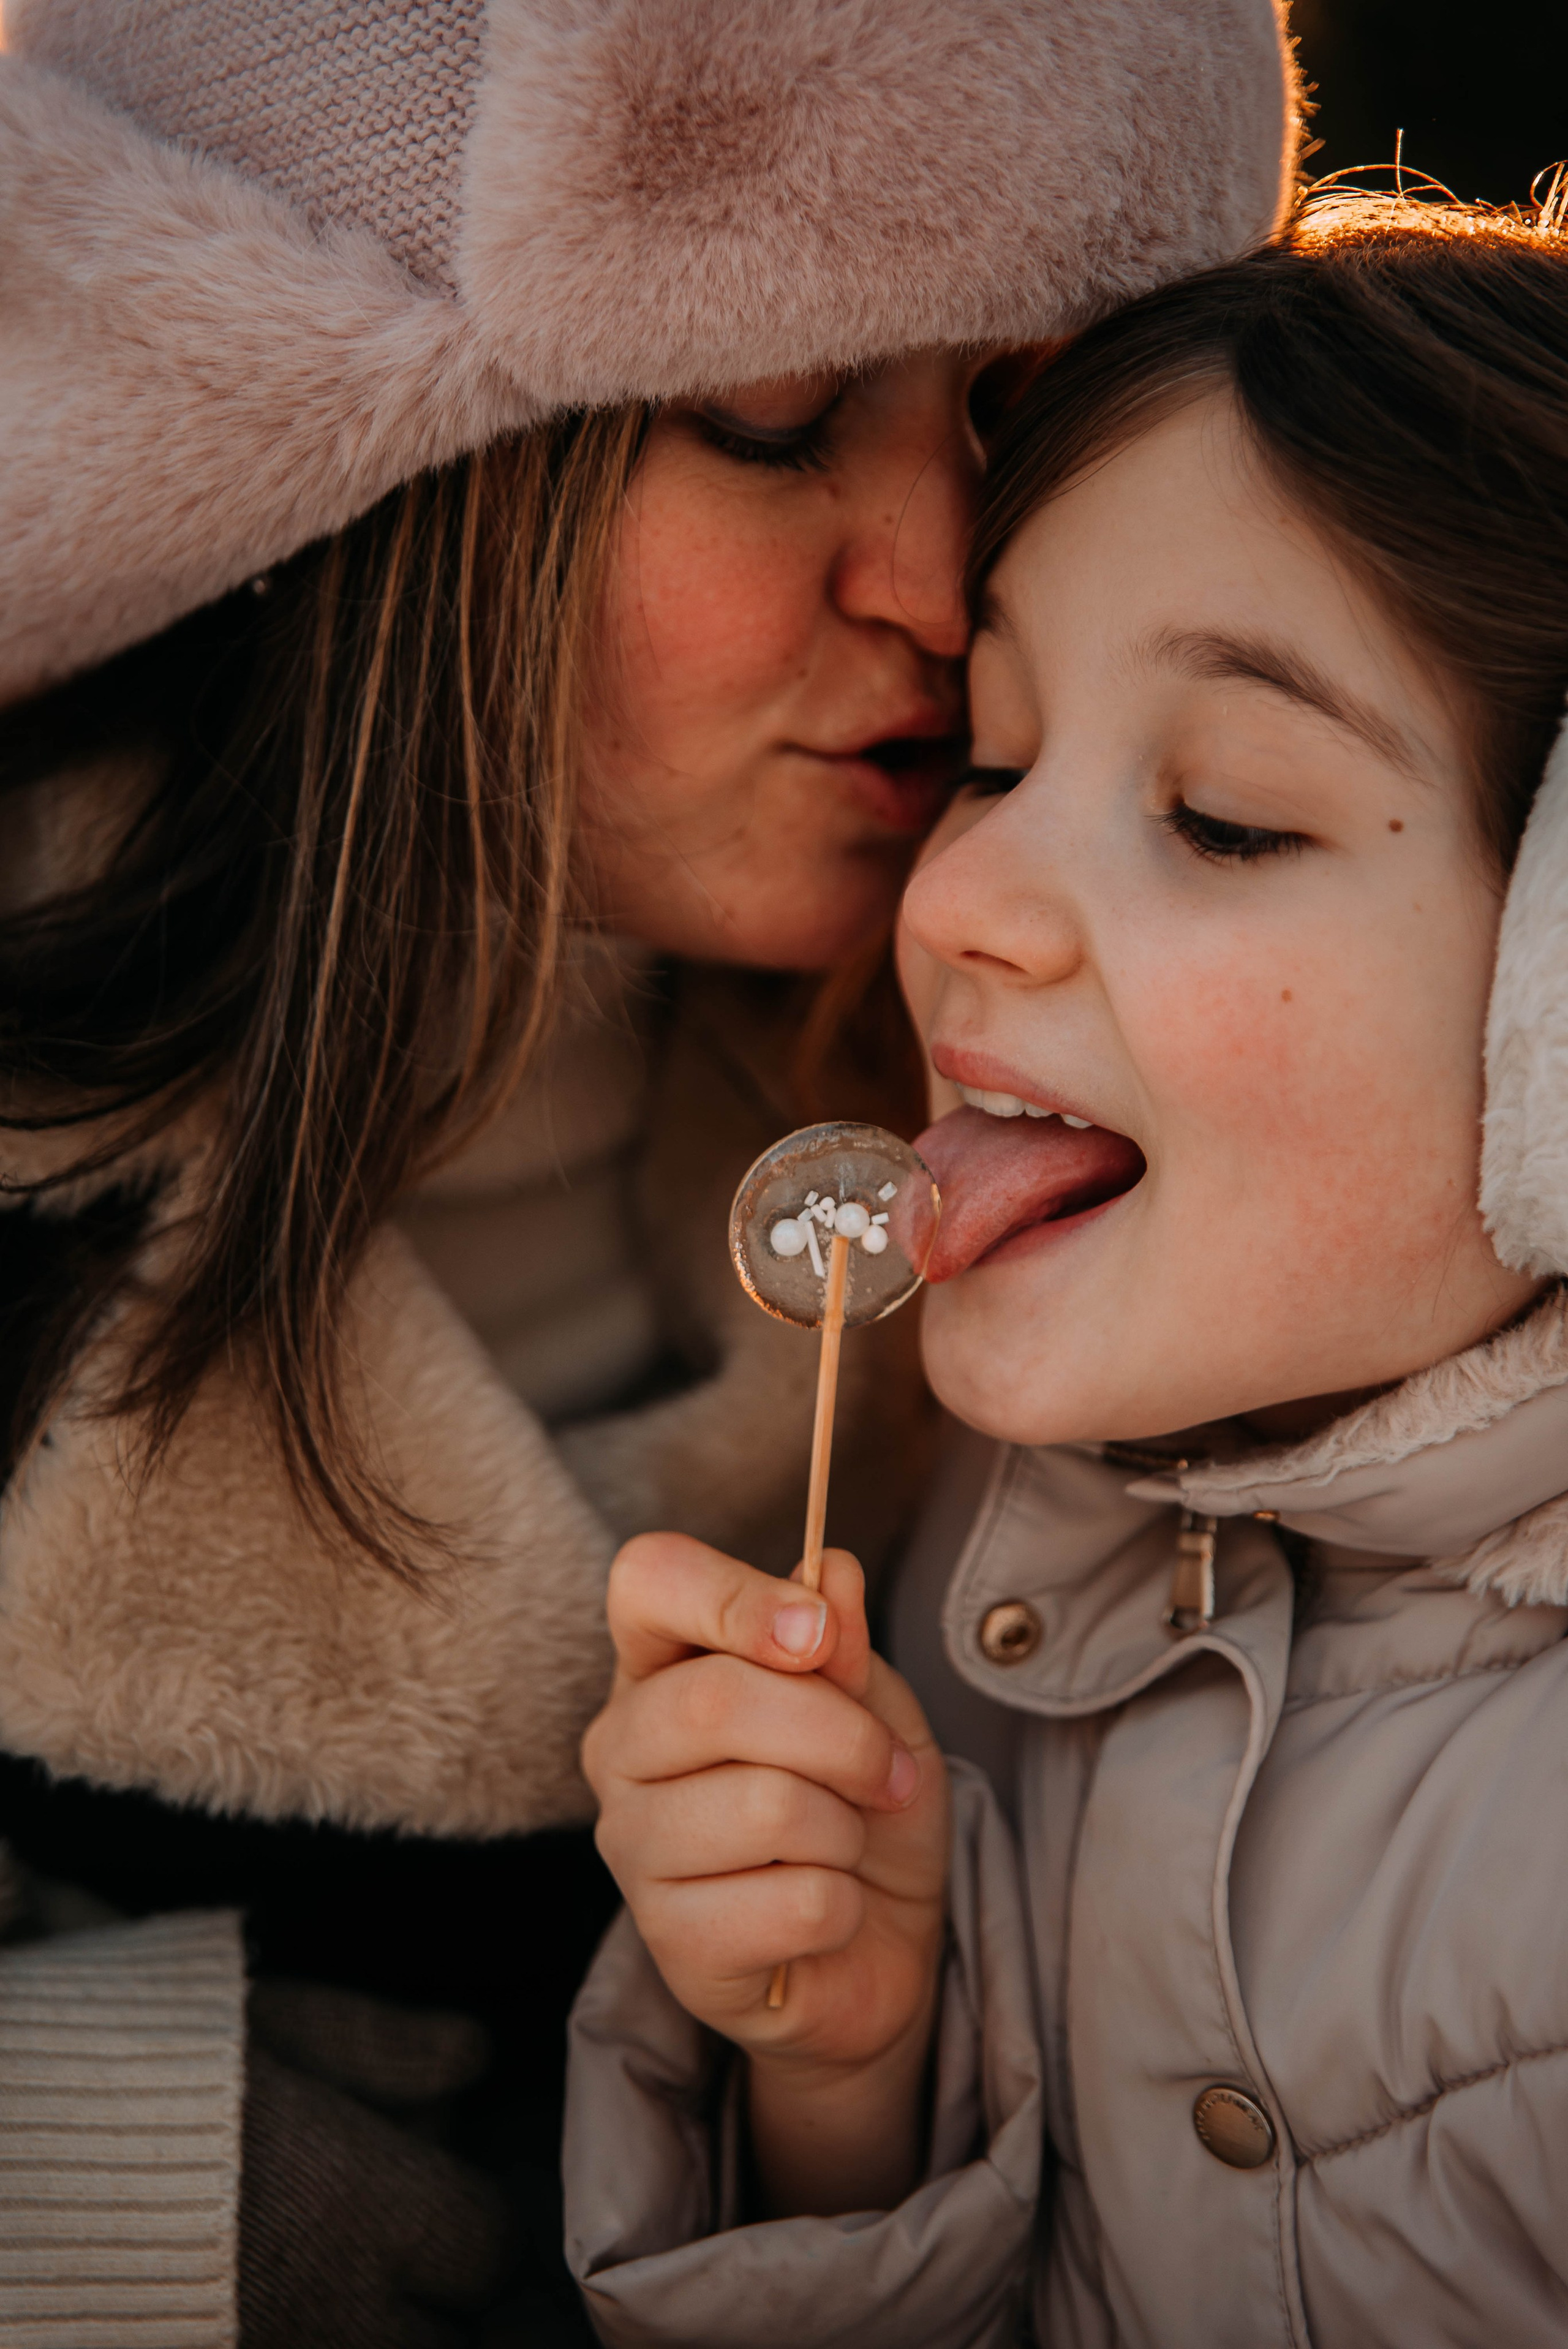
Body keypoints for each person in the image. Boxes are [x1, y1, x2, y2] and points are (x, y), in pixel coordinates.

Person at [0, 0, 1295, 2339]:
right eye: (778, 414)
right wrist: (161, 2172)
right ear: (339, 446)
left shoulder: (1114, 1155)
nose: (943, 579)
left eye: (1016, 405)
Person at [570, 184, 1568, 2347]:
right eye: (997, 760)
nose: (959, 898)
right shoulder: (981, 1579)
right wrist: (848, 2070)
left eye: (1224, 813)